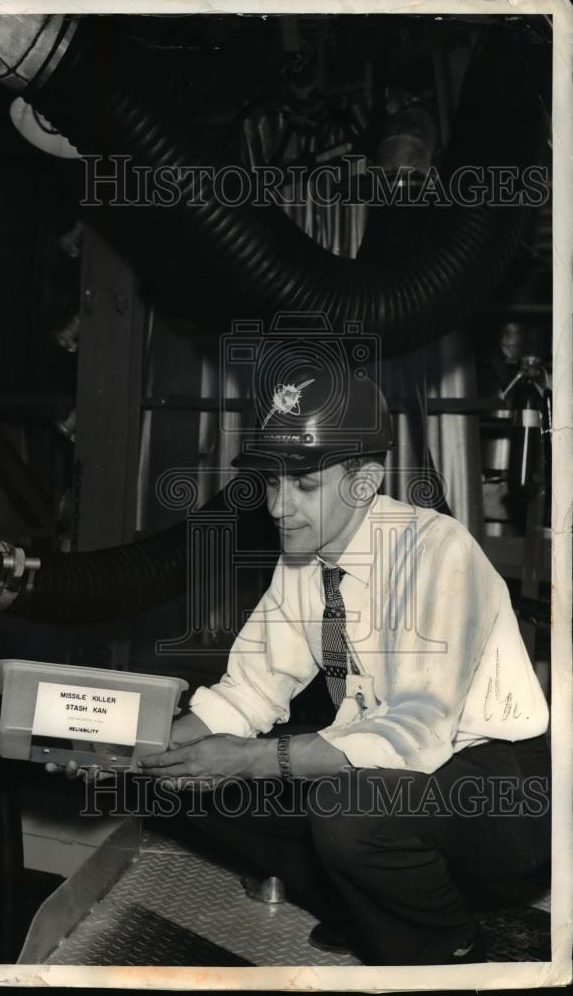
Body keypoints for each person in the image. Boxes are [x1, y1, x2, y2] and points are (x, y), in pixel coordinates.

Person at [139, 364, 551, 966]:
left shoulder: (438, 552)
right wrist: (140, 747)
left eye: (303, 485)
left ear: (365, 483)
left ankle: (448, 943)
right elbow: (248, 691)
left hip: (504, 781)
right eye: (273, 483)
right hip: (397, 770)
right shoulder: (304, 559)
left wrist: (254, 760)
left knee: (346, 810)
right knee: (183, 783)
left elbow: (412, 733)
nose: (279, 507)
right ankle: (364, 901)